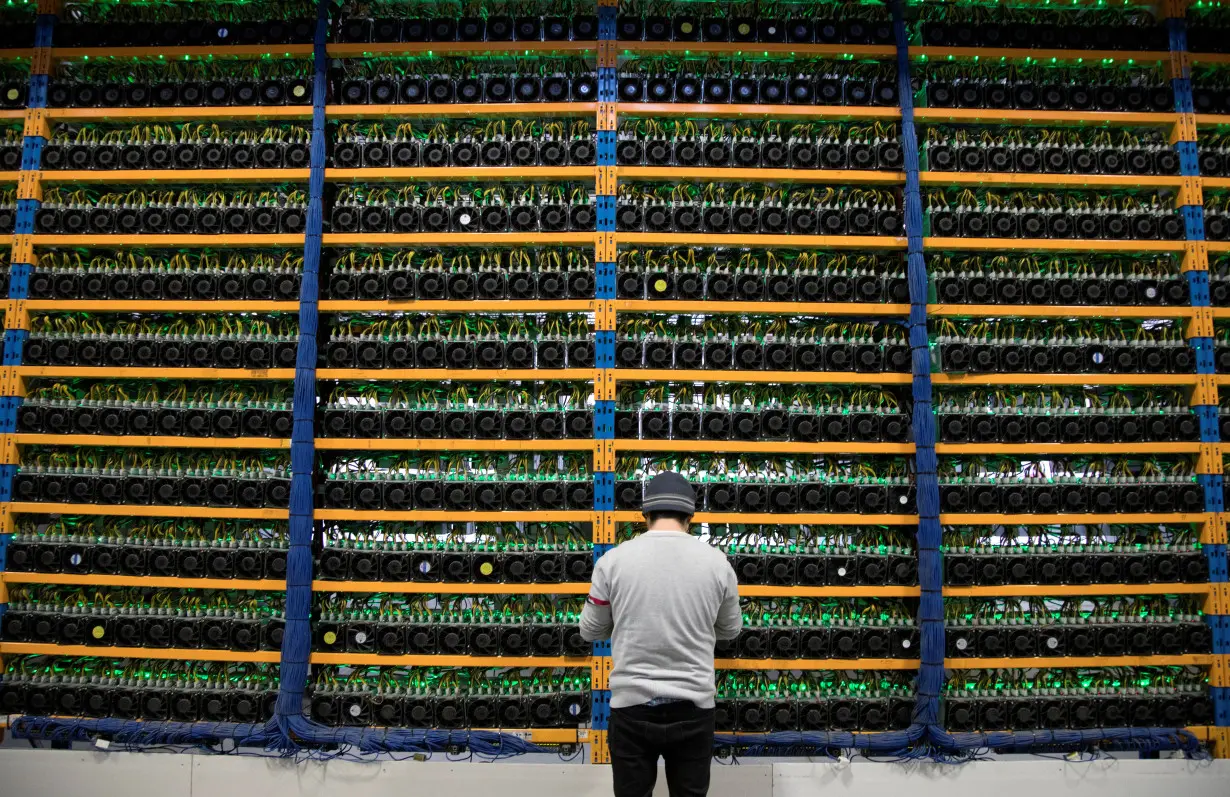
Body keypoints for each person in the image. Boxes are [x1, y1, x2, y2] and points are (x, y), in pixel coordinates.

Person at [579, 471, 742, 797]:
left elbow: (590, 630)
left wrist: (624, 618)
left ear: (646, 514)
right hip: (694, 708)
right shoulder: (717, 564)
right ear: (689, 517)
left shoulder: (612, 562)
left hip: (631, 706)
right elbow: (730, 629)